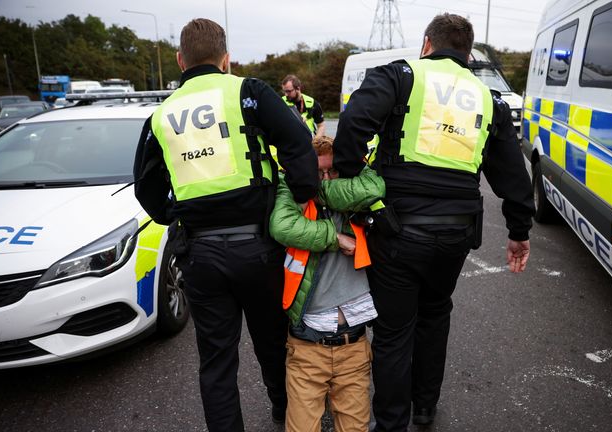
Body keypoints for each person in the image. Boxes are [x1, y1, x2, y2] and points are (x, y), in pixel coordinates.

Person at [332, 13, 535, 431]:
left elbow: (353, 122)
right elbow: (513, 175)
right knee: (435, 313)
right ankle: (425, 407)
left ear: (426, 44)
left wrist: (354, 181)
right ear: (469, 53)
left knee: (393, 331)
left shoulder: (401, 76)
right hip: (456, 232)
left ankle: (392, 422)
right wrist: (519, 231)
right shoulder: (487, 98)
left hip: (398, 229)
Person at [133, 18, 319, 432]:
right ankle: (283, 413)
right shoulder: (248, 91)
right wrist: (304, 194)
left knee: (217, 360)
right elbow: (297, 141)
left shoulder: (161, 115)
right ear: (226, 59)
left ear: (180, 60)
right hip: (258, 250)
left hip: (200, 255)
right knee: (274, 344)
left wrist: (174, 216)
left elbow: (145, 189)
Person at [269, 135, 384, 432]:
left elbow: (375, 186)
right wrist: (334, 238)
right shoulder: (291, 189)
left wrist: (319, 190)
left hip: (354, 347)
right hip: (307, 348)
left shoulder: (356, 186)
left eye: (331, 171)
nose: (324, 178)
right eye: (316, 173)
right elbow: (282, 226)